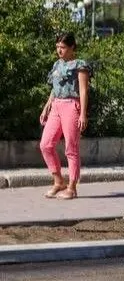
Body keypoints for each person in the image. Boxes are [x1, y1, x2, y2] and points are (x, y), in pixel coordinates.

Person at [39, 32, 91, 199]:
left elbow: (83, 91)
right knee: (45, 144)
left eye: (62, 47)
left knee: (71, 148)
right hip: (56, 106)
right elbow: (54, 88)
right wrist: (47, 106)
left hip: (71, 106)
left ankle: (72, 187)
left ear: (72, 48)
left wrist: (83, 113)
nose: (59, 51)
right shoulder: (57, 65)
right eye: (57, 47)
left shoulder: (80, 65)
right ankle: (58, 181)